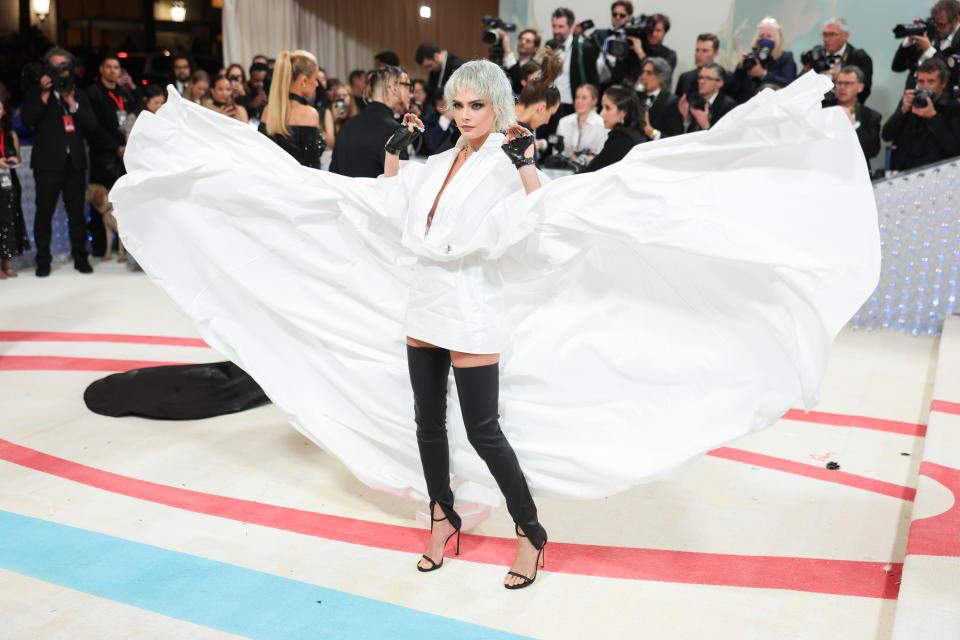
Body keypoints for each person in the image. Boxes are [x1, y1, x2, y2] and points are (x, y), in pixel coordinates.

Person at [110, 67, 880, 598]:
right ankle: (442, 516)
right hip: (424, 304)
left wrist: (528, 172)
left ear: (500, 108)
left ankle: (531, 532)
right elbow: (390, 214)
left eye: (477, 105)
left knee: (484, 429)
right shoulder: (436, 161)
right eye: (458, 105)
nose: (464, 115)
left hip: (472, 305)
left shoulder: (510, 164)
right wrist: (391, 166)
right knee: (427, 429)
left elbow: (534, 229)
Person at [21, 47, 112, 276]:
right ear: (48, 69)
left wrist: (72, 103)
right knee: (44, 214)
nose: (60, 72)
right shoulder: (36, 93)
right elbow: (26, 121)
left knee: (77, 215)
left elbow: (92, 127)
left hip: (75, 164)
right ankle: (43, 261)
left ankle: (80, 257)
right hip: (47, 165)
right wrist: (43, 95)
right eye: (55, 67)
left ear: (70, 69)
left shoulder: (79, 95)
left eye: (64, 67)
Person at [85, 55, 133, 257]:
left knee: (122, 200)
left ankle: (122, 244)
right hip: (103, 155)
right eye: (109, 67)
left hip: (123, 154)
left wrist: (126, 146)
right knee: (100, 201)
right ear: (101, 69)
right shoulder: (94, 93)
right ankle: (99, 246)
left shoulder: (123, 93)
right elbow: (93, 127)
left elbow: (130, 118)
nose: (113, 70)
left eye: (116, 67)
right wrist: (115, 147)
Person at [330, 65, 411, 177]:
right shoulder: (393, 130)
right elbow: (399, 183)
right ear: (394, 89)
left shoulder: (347, 125)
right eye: (407, 86)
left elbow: (333, 173)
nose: (411, 94)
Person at [882, 58, 960, 171]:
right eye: (921, 81)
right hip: (903, 171)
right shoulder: (910, 101)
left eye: (931, 81)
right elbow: (886, 135)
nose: (925, 86)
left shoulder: (953, 107)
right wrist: (902, 111)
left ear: (943, 83)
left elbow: (953, 148)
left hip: (935, 172)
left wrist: (933, 117)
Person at [259, 50, 325, 169]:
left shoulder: (267, 111)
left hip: (272, 182)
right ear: (304, 81)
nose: (317, 84)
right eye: (315, 79)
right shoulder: (309, 113)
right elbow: (312, 166)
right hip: (300, 184)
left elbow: (263, 158)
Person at [578, 84, 647, 172]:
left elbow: (590, 173)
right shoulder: (634, 134)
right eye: (602, 107)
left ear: (623, 112)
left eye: (608, 108)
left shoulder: (620, 139)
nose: (601, 114)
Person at [893, 0, 960, 90]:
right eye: (936, 24)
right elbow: (897, 67)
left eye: (942, 24)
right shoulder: (930, 33)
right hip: (910, 98)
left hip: (942, 101)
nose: (938, 28)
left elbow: (953, 74)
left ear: (957, 20)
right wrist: (910, 39)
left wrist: (929, 50)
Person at [729, 17, 797, 103]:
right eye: (761, 36)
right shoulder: (751, 57)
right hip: (746, 103)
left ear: (777, 38)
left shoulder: (786, 58)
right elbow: (731, 89)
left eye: (769, 36)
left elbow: (789, 85)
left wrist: (763, 74)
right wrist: (740, 68)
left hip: (771, 104)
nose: (765, 39)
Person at [549, 7, 599, 123]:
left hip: (573, 105)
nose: (556, 31)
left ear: (571, 27)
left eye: (561, 27)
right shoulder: (549, 45)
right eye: (554, 26)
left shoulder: (584, 48)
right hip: (550, 105)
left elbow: (593, 80)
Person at [513, 53, 563, 156]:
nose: (547, 121)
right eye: (550, 114)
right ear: (542, 108)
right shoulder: (521, 136)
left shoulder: (501, 120)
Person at [0, 99, 29, 278]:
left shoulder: (10, 134)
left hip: (9, 181)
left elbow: (18, 157)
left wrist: (13, 161)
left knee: (10, 220)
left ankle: (8, 261)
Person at [815, 18, 873, 103]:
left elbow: (864, 92)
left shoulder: (859, 58)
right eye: (825, 35)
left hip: (845, 108)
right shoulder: (817, 54)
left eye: (832, 34)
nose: (827, 39)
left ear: (846, 35)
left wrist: (840, 79)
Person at [833, 66, 880, 163]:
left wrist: (854, 124)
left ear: (860, 87)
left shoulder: (871, 116)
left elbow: (872, 151)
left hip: (856, 169)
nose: (842, 87)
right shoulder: (824, 109)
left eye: (848, 83)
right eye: (839, 83)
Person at [590, 1, 638, 89]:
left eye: (622, 15)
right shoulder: (599, 34)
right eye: (614, 14)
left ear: (629, 17)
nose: (617, 17)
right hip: (595, 84)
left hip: (619, 86)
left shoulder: (632, 40)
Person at [679, 62, 737, 133]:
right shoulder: (695, 100)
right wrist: (686, 120)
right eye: (700, 77)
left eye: (708, 78)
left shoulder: (728, 105)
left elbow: (725, 136)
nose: (701, 81)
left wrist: (705, 125)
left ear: (720, 83)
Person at [555, 83, 607, 159]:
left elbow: (603, 154)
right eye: (577, 97)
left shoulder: (602, 124)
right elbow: (556, 151)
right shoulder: (563, 122)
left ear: (594, 101)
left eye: (584, 98)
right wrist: (569, 156)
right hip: (565, 168)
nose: (579, 101)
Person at [635, 57, 682, 139]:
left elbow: (675, 138)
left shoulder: (671, 102)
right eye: (643, 72)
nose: (643, 76)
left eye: (649, 73)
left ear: (661, 76)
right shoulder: (636, 97)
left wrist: (651, 132)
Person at [675, 33, 725, 99]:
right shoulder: (685, 78)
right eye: (697, 50)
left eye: (705, 51)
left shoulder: (724, 78)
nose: (698, 54)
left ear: (715, 53)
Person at [502, 28, 541, 95]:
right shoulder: (513, 65)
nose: (523, 42)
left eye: (528, 41)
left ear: (535, 48)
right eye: (521, 39)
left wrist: (507, 50)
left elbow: (517, 79)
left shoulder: (536, 69)